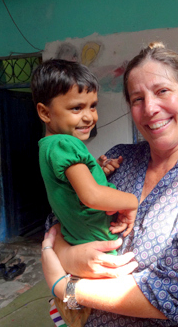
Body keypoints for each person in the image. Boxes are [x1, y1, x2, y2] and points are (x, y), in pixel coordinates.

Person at [41, 42, 178, 327]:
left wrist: (64, 286)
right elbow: (59, 218)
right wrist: (70, 254)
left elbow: (171, 295)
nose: (150, 108)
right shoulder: (120, 158)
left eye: (162, 91)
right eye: (137, 99)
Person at [31, 59, 138, 254]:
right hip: (99, 240)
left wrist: (97, 168)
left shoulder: (48, 146)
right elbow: (91, 195)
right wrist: (132, 201)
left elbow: (71, 188)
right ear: (45, 113)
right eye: (76, 108)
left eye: (93, 106)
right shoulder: (65, 143)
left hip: (80, 238)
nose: (89, 117)